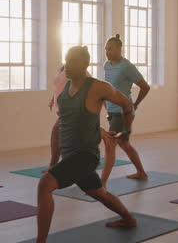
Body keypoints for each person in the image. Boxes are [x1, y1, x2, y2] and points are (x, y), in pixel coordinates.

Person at [36, 46, 136, 243]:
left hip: (85, 155)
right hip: (70, 154)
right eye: (67, 60)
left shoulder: (98, 87)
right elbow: (68, 122)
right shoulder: (66, 89)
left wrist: (126, 131)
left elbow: (126, 104)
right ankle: (128, 218)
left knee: (44, 185)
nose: (68, 65)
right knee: (99, 193)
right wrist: (98, 130)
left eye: (73, 61)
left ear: (85, 65)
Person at [101, 34, 150, 187]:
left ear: (119, 49)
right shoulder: (106, 65)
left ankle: (101, 183)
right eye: (106, 49)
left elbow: (145, 87)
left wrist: (135, 104)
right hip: (112, 111)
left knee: (110, 144)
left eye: (110, 49)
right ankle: (141, 172)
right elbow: (108, 87)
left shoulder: (127, 66)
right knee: (124, 143)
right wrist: (104, 103)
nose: (107, 52)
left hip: (123, 113)